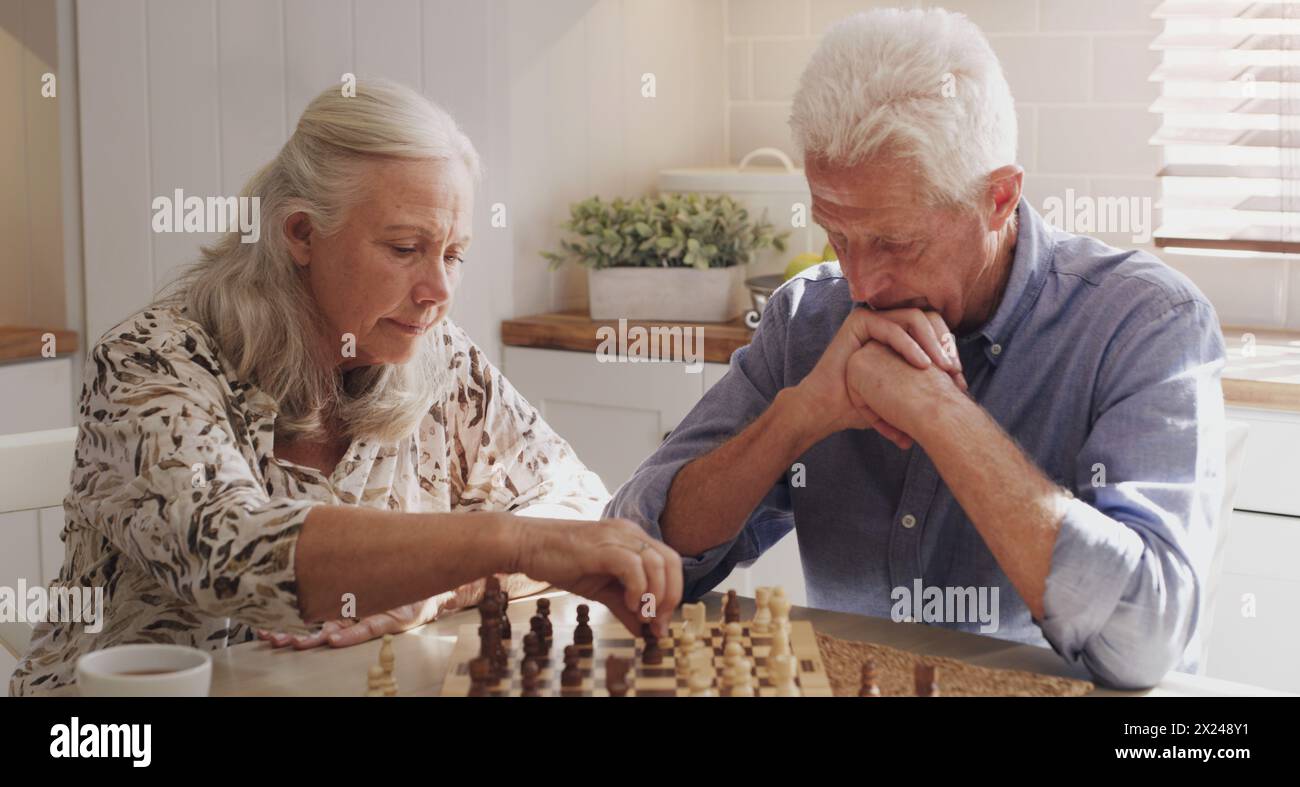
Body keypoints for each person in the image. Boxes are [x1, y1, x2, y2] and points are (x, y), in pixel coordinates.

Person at [605, 8, 1225, 690]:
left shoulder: (1144, 322)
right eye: (837, 236)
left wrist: (939, 412)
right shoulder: (808, 319)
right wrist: (799, 416)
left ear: (1000, 197)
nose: (862, 283)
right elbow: (633, 552)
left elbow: (1145, 646)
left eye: (896, 243)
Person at [11, 80, 681, 696]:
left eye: (453, 254)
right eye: (404, 248)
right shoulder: (150, 362)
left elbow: (576, 503)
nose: (438, 293)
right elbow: (236, 554)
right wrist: (506, 540)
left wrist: (447, 585)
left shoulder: (436, 353)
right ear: (301, 233)